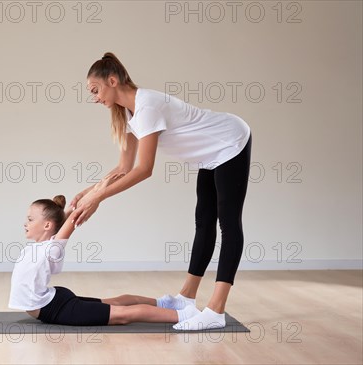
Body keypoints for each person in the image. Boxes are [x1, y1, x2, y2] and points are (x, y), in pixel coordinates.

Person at [70, 52, 252, 330]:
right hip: (209, 155)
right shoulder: (129, 114)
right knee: (204, 223)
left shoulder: (148, 106)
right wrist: (90, 192)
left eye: (95, 90)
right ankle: (187, 298)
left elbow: (144, 170)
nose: (94, 98)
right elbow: (124, 166)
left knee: (228, 223)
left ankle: (216, 310)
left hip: (229, 141)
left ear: (112, 80)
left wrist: (99, 197)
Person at [8, 175, 201, 326]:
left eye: (30, 219)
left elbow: (73, 218)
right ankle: (165, 302)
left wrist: (99, 191)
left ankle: (185, 314)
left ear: (47, 225)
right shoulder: (41, 245)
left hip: (54, 307)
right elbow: (66, 218)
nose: (26, 223)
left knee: (122, 315)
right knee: (115, 303)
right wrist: (93, 192)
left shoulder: (52, 248)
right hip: (52, 299)